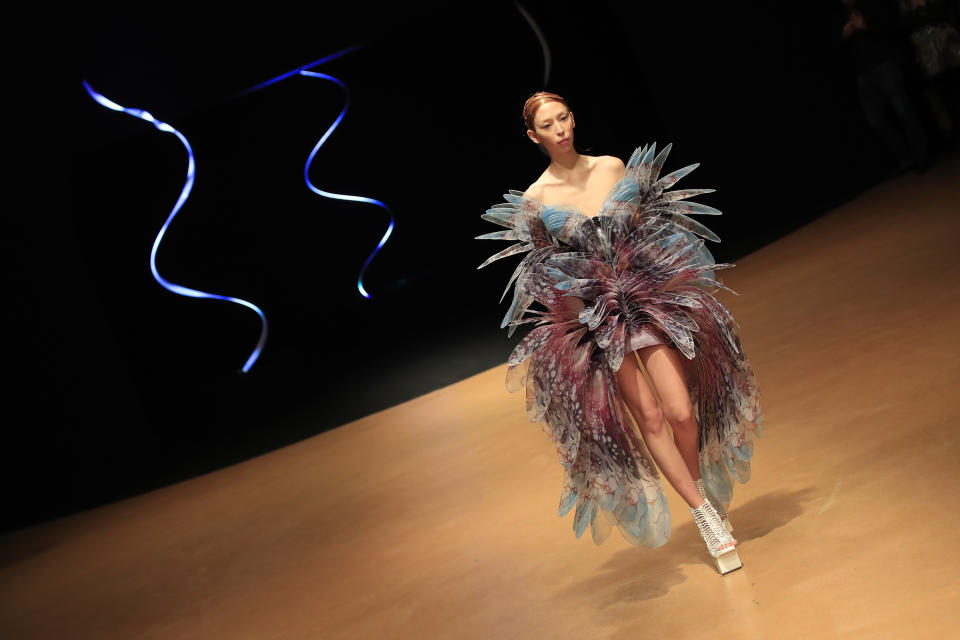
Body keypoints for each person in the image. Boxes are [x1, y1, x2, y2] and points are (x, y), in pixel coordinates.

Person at [477, 92, 763, 574]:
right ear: (534, 136)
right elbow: (542, 271)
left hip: (644, 299)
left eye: (564, 117)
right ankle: (705, 514)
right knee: (650, 417)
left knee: (681, 412)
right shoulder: (535, 197)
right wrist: (575, 320)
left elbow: (654, 230)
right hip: (594, 318)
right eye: (548, 125)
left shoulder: (611, 167)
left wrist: (672, 276)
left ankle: (698, 494)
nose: (561, 129)